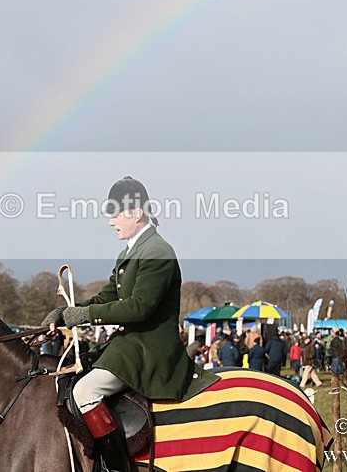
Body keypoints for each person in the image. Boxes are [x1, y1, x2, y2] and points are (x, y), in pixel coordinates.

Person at [41, 176, 219, 471]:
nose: (111, 222)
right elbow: (106, 298)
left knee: (86, 392)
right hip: (131, 342)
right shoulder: (129, 253)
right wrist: (64, 312)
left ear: (137, 213)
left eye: (115, 214)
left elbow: (139, 307)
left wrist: (84, 317)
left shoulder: (157, 251)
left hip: (151, 348)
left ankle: (118, 468)